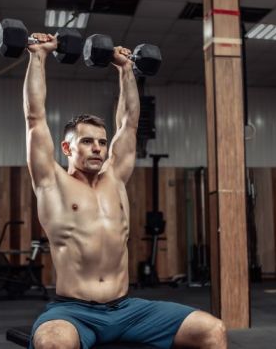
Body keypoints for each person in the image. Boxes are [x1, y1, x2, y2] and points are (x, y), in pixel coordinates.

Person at [23, 33, 227, 349]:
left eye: (102, 142)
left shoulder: (115, 178)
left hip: (127, 309)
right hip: (74, 311)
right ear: (67, 147)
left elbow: (129, 123)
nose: (97, 149)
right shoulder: (52, 182)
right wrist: (38, 56)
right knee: (52, 344)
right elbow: (35, 118)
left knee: (213, 331)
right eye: (87, 141)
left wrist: (126, 69)